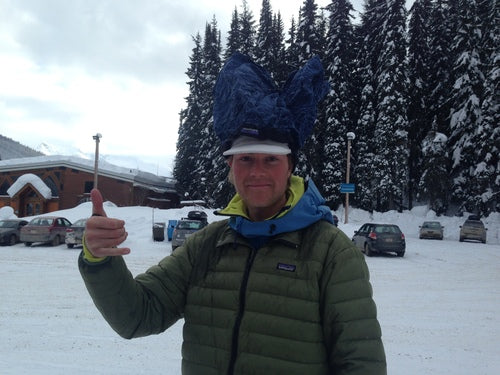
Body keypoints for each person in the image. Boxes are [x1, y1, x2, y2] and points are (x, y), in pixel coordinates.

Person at [79, 53, 386, 374]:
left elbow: (361, 365)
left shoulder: (331, 253)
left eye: (271, 159)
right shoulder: (206, 246)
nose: (257, 171)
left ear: (290, 166)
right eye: (245, 159)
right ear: (230, 166)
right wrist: (99, 259)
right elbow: (137, 315)